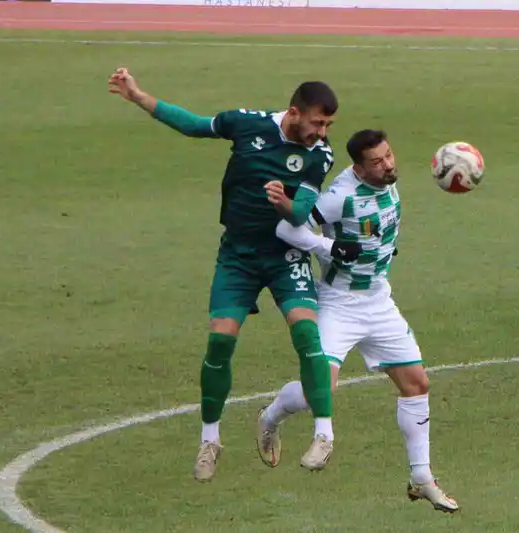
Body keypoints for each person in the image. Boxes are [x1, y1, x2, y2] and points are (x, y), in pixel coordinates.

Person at [107, 68, 340, 480]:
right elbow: (194, 125)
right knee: (219, 342)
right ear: (294, 113)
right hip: (238, 256)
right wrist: (139, 96)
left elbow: (301, 213)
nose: (321, 133)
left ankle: (324, 434)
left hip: (284, 256)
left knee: (307, 335)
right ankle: (209, 441)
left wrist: (283, 204)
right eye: (317, 123)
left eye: (327, 126)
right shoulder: (246, 123)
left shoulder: (319, 154)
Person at [256, 129, 459, 513]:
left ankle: (421, 478)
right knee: (320, 390)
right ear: (359, 168)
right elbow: (286, 228)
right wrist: (329, 246)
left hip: (378, 301)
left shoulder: (387, 181)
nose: (388, 165)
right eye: (377, 162)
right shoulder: (339, 196)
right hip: (339, 304)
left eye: (389, 155)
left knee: (416, 383)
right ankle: (269, 417)